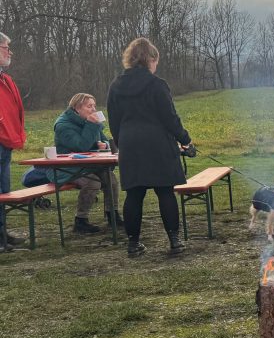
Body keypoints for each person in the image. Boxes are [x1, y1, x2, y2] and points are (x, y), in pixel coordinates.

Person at [107, 37, 193, 257]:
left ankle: (133, 244)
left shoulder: (116, 86)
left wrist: (121, 142)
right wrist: (185, 139)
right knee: (165, 192)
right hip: (158, 144)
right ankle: (174, 241)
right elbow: (169, 117)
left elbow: (114, 121)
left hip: (130, 144)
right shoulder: (157, 84)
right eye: (156, 62)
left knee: (134, 195)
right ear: (151, 60)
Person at [49, 93, 122, 234]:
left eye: (94, 106)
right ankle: (81, 220)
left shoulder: (90, 122)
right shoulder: (63, 125)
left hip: (89, 165)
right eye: (89, 106)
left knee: (111, 179)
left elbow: (104, 140)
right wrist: (91, 125)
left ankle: (112, 215)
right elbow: (81, 146)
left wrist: (104, 145)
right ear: (77, 108)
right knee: (93, 183)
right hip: (66, 167)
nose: (93, 109)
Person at [0, 31, 27, 251]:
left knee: (3, 190)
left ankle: (2, 232)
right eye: (6, 48)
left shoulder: (6, 79)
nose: (10, 52)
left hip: (6, 142)